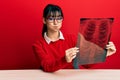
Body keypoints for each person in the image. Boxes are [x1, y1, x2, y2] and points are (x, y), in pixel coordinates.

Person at [32, 4, 116, 72]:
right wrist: (65, 59)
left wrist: (105, 54)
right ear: (44, 20)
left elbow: (87, 64)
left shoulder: (72, 39)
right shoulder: (38, 45)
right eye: (51, 18)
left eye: (59, 18)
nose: (56, 22)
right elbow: (47, 66)